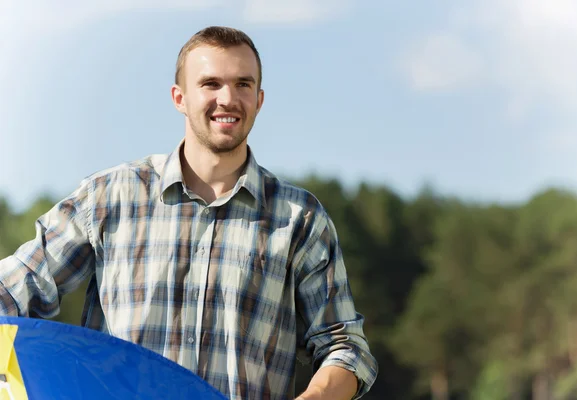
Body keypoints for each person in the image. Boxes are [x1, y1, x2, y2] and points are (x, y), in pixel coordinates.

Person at [0, 26, 378, 399]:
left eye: (243, 84)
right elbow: (15, 290)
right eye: (211, 83)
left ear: (259, 99)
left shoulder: (300, 219)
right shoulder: (108, 197)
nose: (228, 98)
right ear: (179, 97)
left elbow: (344, 347)